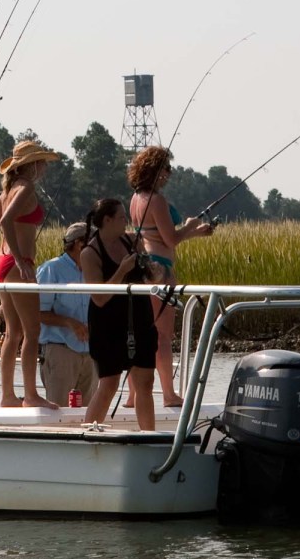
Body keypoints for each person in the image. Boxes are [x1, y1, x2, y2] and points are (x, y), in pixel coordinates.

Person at [126, 144, 213, 407]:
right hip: (160, 268)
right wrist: (189, 226)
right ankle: (168, 394)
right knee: (163, 336)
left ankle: (132, 396)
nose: (169, 173)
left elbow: (155, 235)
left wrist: (196, 232)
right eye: (167, 168)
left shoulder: (135, 199)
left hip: (142, 268)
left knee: (140, 333)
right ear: (155, 170)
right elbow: (171, 239)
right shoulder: (157, 200)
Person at [0, 136, 61, 408]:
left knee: (13, 331)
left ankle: (7, 396)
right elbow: (3, 221)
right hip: (17, 264)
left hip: (4, 265)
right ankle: (31, 394)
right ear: (33, 165)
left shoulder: (9, 189)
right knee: (32, 329)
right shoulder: (25, 188)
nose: (45, 169)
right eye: (42, 163)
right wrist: (19, 259)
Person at [80, 196, 157, 431]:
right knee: (109, 383)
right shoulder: (89, 253)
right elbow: (99, 298)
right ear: (108, 220)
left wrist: (152, 268)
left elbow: (151, 277)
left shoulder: (132, 241)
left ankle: (149, 436)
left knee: (144, 382)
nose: (127, 221)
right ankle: (87, 433)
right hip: (108, 322)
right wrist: (122, 270)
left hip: (138, 316)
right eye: (122, 217)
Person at [35, 221, 95, 407]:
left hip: (91, 352)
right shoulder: (51, 269)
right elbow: (34, 312)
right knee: (57, 409)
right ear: (79, 244)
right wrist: (69, 322)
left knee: (88, 413)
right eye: (94, 243)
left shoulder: (94, 270)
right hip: (60, 350)